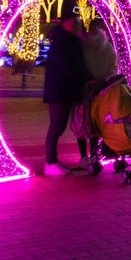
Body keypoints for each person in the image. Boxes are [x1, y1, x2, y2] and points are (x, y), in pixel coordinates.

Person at [42, 11, 92, 176]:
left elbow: (75, 63)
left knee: (59, 127)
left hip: (65, 90)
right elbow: (68, 66)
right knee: (56, 127)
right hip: (59, 91)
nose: (78, 24)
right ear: (66, 22)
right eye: (75, 21)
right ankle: (50, 163)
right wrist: (86, 77)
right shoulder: (62, 42)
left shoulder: (68, 40)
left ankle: (53, 161)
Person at [75, 18, 118, 167]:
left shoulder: (83, 47)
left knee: (81, 124)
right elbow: (112, 70)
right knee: (96, 123)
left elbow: (78, 67)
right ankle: (94, 154)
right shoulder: (109, 48)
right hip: (101, 92)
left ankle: (83, 156)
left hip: (84, 90)